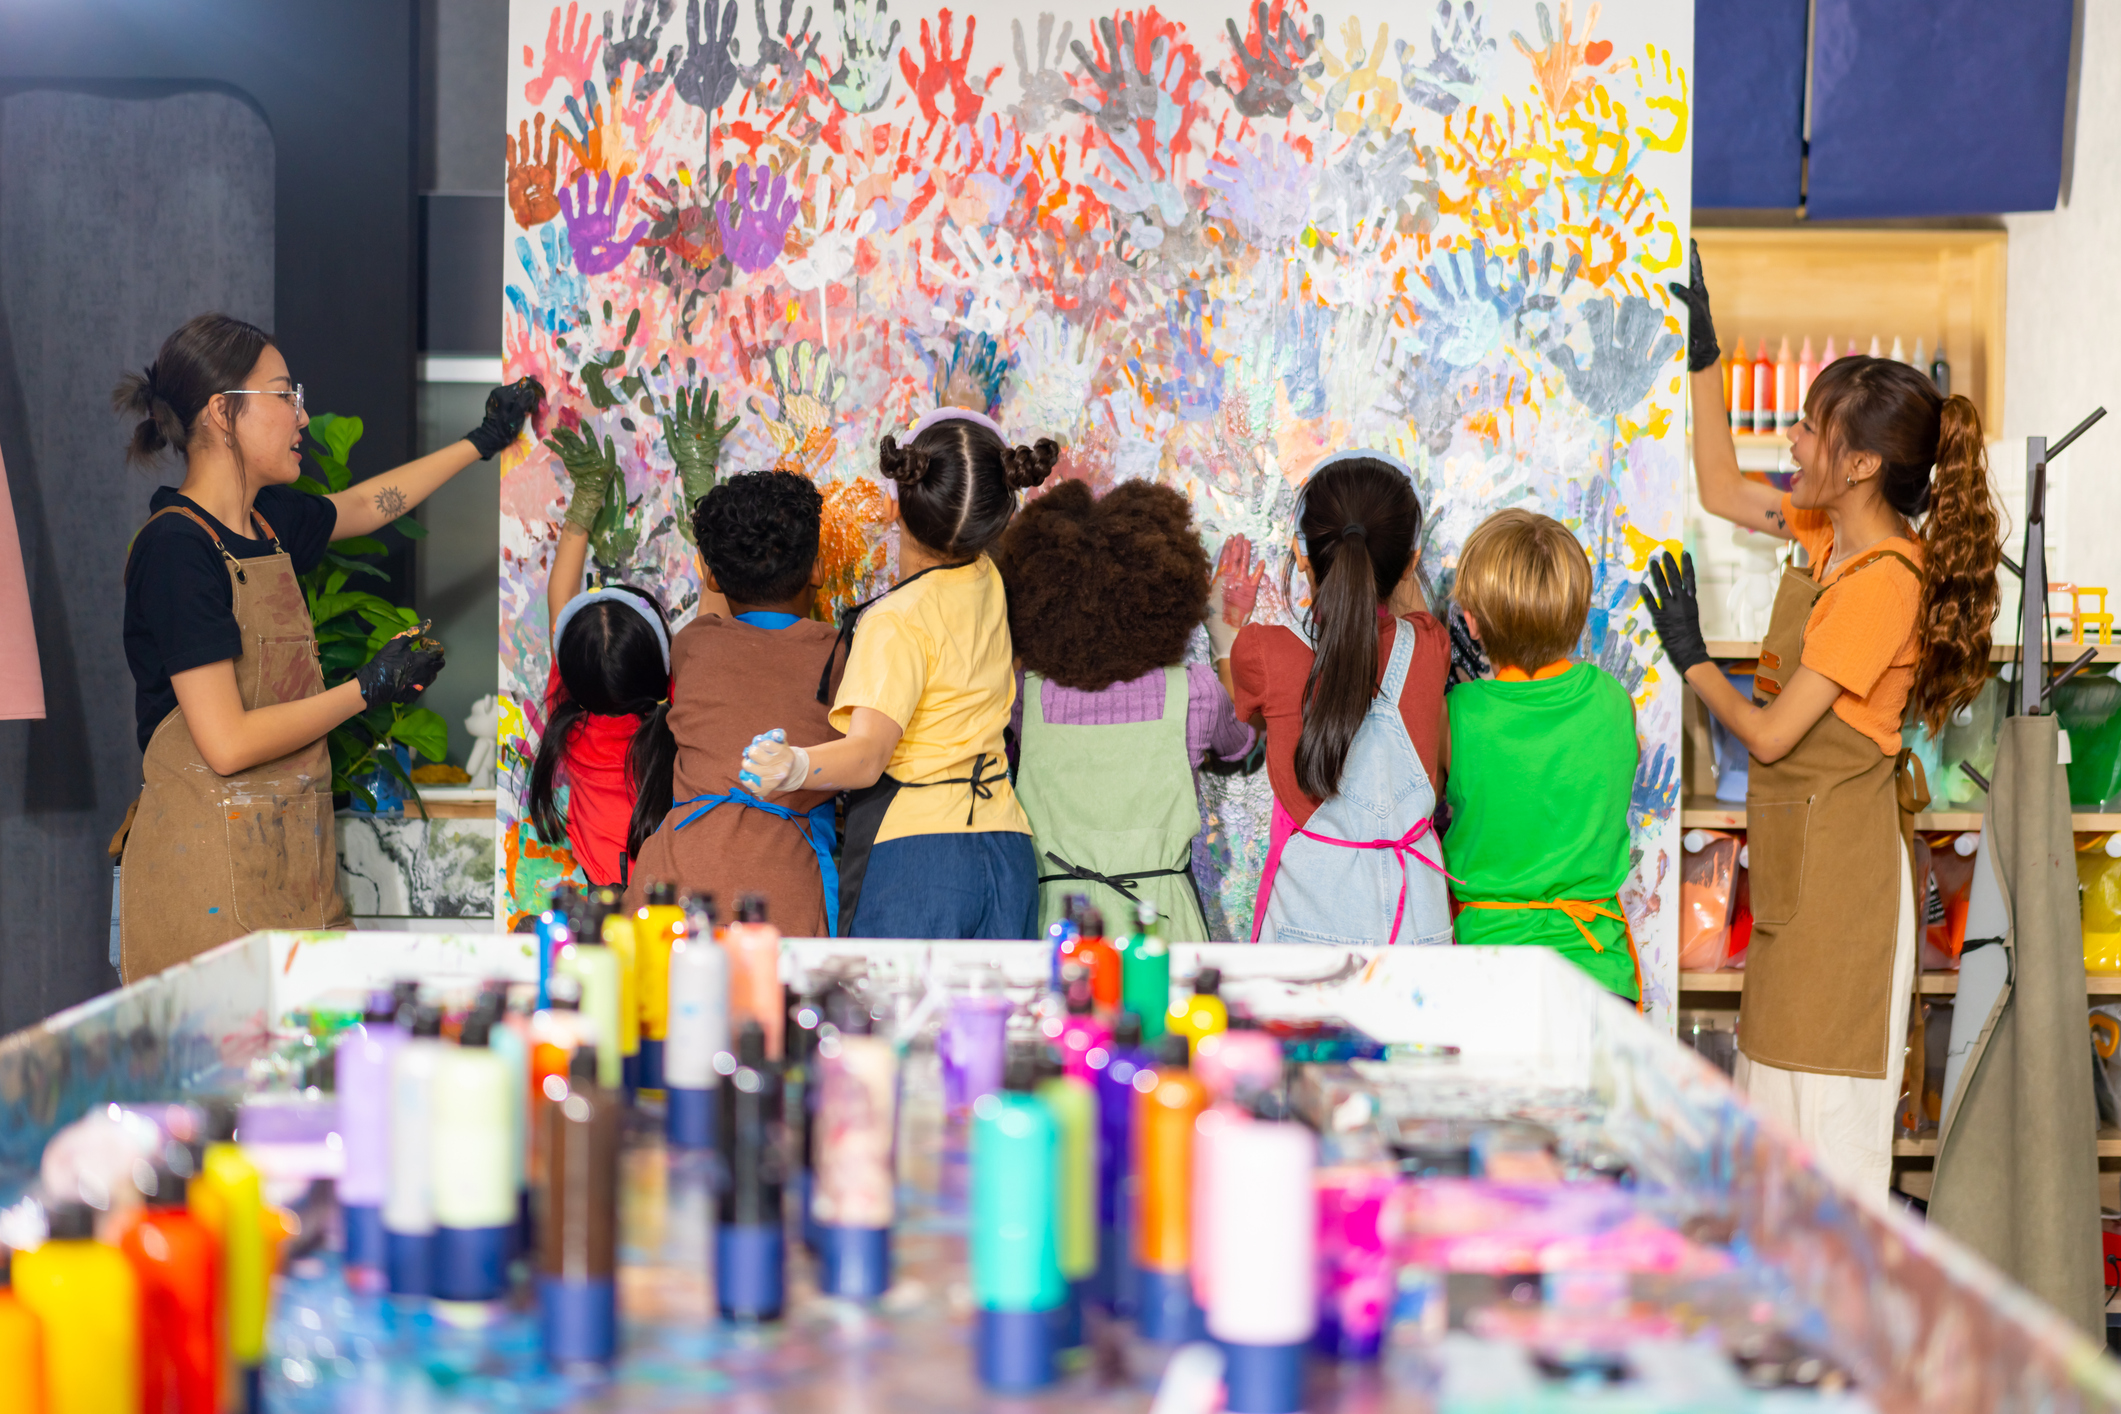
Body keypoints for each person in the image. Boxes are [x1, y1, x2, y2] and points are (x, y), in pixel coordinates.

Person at [1643, 242, 1999, 1194]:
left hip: (1844, 882)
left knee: (1825, 1135)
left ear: (1863, 463)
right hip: (1802, 865)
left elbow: (1765, 735)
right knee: (1773, 1117)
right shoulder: (1824, 531)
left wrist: (1692, 661)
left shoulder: (1883, 584)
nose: (1792, 444)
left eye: (1807, 431)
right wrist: (1703, 356)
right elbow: (1720, 486)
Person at [116, 312, 540, 978]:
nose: (303, 417)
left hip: (290, 868)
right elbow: (226, 743)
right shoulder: (178, 550)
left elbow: (369, 505)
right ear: (223, 412)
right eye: (285, 395)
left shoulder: (268, 520)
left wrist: (482, 441)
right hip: (202, 888)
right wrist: (365, 689)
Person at [738, 408, 1058, 938]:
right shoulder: (989, 581)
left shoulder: (894, 620)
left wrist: (793, 767)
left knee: (894, 1021)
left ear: (894, 505)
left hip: (921, 861)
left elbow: (866, 757)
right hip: (1006, 848)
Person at [995, 479, 1253, 939]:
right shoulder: (1195, 693)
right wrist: (1223, 639)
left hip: (1058, 926)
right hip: (1162, 926)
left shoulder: (1023, 698)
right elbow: (1241, 743)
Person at [1225, 452, 1452, 946]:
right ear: (1411, 562)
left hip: (1312, 916)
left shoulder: (1261, 650)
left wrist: (1225, 628)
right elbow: (1399, 618)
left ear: (1301, 553)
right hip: (1418, 917)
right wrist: (1399, 564)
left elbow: (1233, 717)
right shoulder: (1431, 644)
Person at [626, 471, 845, 933]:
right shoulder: (841, 653)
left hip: (671, 881)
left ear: (713, 578)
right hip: (781, 889)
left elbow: (725, 634)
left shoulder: (692, 645)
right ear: (818, 570)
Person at [1444, 509, 1640, 1002]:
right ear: (1577, 612)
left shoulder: (1456, 715)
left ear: (1471, 621)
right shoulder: (1614, 702)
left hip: (1487, 977)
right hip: (1598, 974)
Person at [529, 485, 675, 889]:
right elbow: (713, 625)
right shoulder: (673, 712)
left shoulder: (570, 721)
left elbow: (558, 596)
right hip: (665, 894)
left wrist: (583, 504)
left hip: (602, 894)